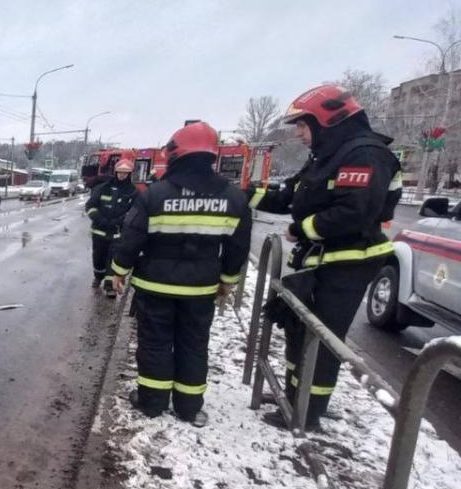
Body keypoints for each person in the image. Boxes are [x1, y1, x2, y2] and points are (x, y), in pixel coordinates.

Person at [248, 84, 401, 429]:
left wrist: (301, 230)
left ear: (327, 120)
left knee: (322, 335)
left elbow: (354, 213)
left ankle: (308, 411)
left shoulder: (365, 154)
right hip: (319, 262)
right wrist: (240, 194)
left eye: (303, 126)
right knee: (298, 328)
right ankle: (293, 393)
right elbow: (289, 196)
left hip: (348, 263)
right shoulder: (327, 157)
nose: (300, 134)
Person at [110, 121, 251, 426]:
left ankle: (152, 402)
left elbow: (132, 237)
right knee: (194, 344)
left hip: (155, 286)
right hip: (201, 289)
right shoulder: (233, 197)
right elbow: (238, 247)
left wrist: (118, 271)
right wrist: (228, 281)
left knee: (155, 343)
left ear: (175, 155)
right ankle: (188, 408)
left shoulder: (154, 194)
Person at [85, 158, 138, 292]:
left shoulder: (133, 192)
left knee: (113, 259)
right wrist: (99, 219)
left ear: (129, 174)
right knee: (98, 258)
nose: (122, 175)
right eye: (120, 172)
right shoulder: (103, 188)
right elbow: (90, 206)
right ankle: (98, 276)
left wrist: (120, 221)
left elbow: (134, 211)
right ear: (115, 172)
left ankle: (110, 286)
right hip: (99, 231)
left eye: (125, 173)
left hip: (117, 233)